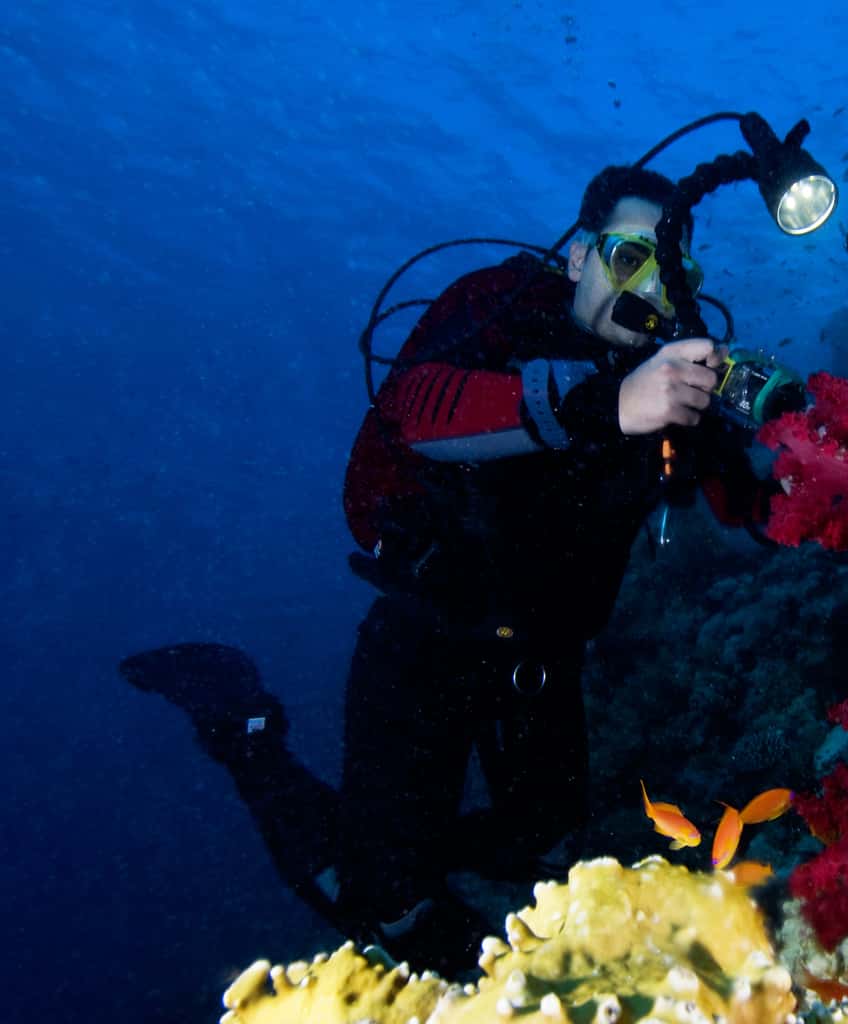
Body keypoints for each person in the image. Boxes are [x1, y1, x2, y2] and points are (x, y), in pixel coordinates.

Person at [120, 165, 779, 974]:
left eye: (672, 266)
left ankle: (425, 868)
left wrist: (819, 476)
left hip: (544, 658)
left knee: (540, 834)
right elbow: (415, 411)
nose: (650, 287)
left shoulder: (673, 380)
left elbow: (752, 507)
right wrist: (605, 404)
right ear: (577, 256)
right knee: (382, 908)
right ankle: (246, 731)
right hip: (428, 639)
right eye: (629, 257)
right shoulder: (498, 310)